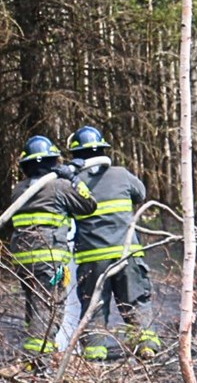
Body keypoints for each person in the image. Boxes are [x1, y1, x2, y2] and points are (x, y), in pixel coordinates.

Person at [0, 136, 97, 363]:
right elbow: (89, 204)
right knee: (51, 304)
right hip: (51, 264)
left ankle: (34, 353)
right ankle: (37, 358)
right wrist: (73, 178)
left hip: (23, 262)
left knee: (34, 304)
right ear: (54, 162)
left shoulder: (19, 190)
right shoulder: (59, 187)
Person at [67, 125, 161, 359]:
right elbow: (140, 194)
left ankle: (94, 355)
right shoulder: (121, 174)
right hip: (127, 253)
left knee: (94, 307)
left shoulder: (73, 182)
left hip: (92, 259)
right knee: (137, 301)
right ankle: (146, 347)